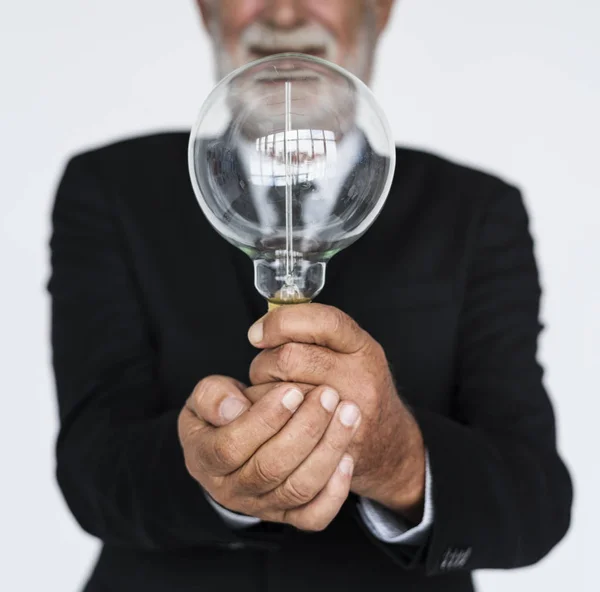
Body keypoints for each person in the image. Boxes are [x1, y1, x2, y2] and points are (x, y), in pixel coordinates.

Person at [48, 1, 573, 591]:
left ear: (380, 9)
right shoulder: (112, 189)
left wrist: (399, 461)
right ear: (205, 11)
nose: (285, 11)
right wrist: (216, 475)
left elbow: (536, 501)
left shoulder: (475, 211)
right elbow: (91, 467)